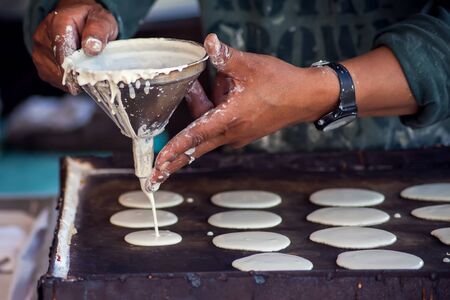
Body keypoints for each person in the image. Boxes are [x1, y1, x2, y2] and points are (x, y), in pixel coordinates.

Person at [25, 0, 450, 187]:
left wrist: (319, 90)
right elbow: (69, 15)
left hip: (414, 163)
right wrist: (86, 7)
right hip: (235, 169)